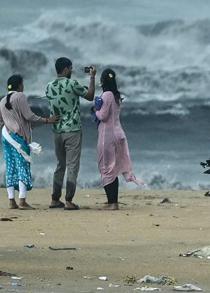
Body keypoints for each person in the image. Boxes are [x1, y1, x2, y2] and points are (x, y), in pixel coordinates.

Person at [0, 74, 58, 210]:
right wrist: (47, 120)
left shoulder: (2, 101)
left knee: (11, 168)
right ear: (19, 85)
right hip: (18, 138)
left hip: (6, 137)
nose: (23, 87)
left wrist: (20, 124)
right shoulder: (20, 96)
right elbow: (29, 115)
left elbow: (0, 122)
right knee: (22, 167)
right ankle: (22, 201)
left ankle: (11, 201)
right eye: (22, 84)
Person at [45, 57, 96, 210]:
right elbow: (91, 96)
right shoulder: (72, 84)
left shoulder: (49, 86)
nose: (72, 71)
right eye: (71, 68)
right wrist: (92, 78)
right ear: (66, 69)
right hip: (72, 129)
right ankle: (68, 200)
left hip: (57, 131)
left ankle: (55, 199)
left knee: (60, 165)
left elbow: (62, 98)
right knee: (72, 165)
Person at [93, 68, 144, 210]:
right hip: (119, 133)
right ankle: (113, 201)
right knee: (113, 168)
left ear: (102, 81)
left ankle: (112, 203)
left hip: (107, 135)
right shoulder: (116, 95)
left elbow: (103, 116)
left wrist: (95, 111)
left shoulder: (106, 95)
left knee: (106, 167)